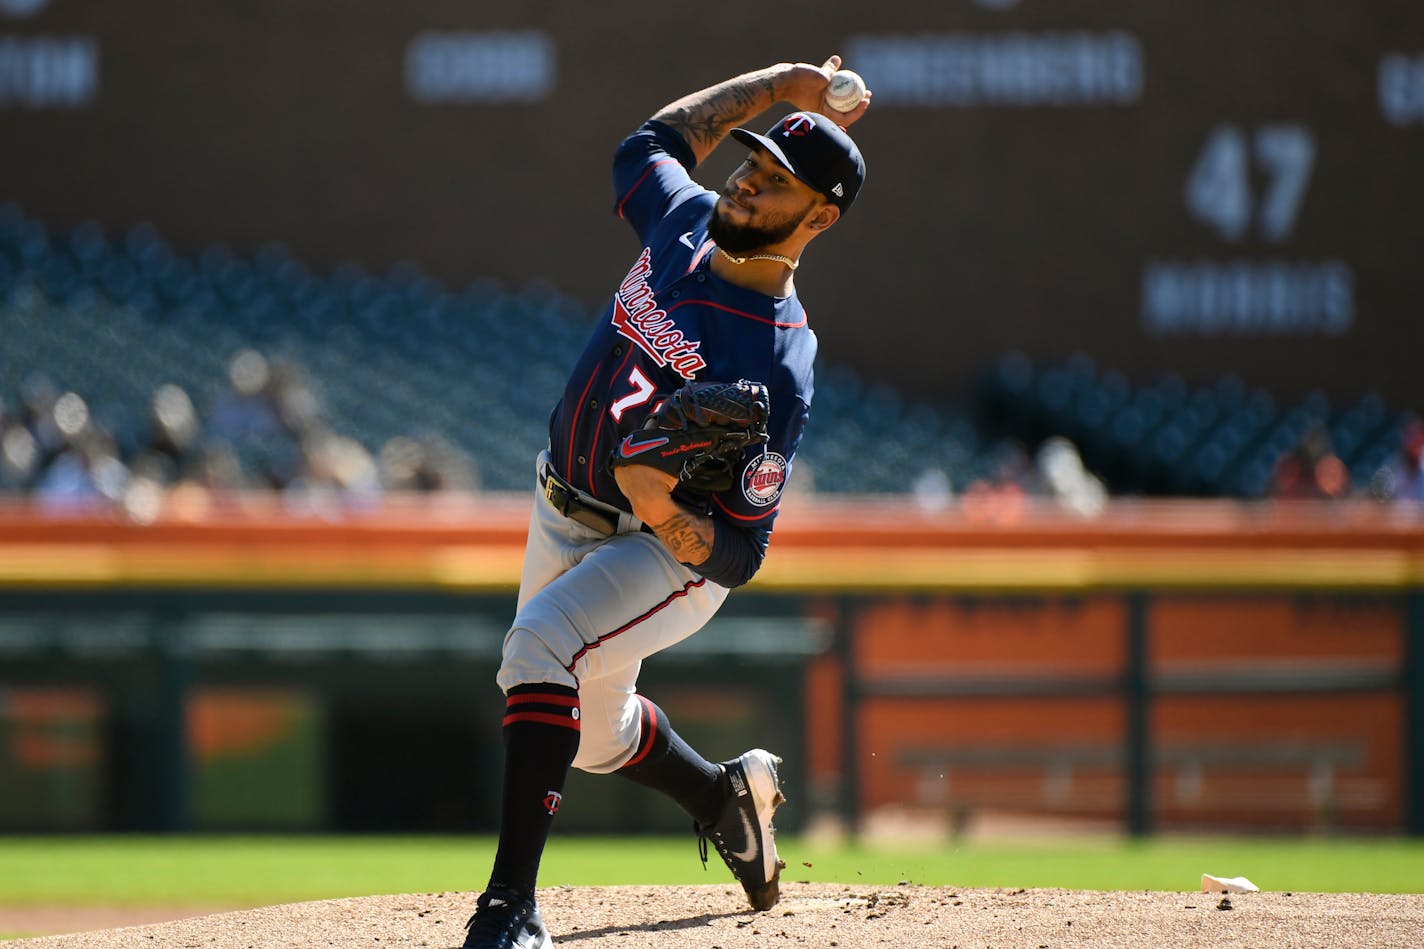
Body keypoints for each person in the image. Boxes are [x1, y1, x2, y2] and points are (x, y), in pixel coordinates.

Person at [461, 54, 869, 949]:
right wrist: (782, 83)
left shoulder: (778, 363)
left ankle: (509, 908)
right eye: (753, 165)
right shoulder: (685, 220)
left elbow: (741, 554)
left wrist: (659, 501)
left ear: (819, 217)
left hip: (664, 555)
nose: (748, 183)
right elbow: (648, 143)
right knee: (593, 735)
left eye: (776, 185)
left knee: (538, 648)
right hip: (559, 502)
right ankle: (724, 798)